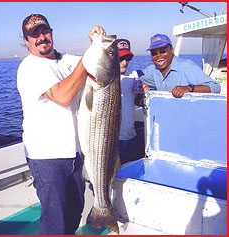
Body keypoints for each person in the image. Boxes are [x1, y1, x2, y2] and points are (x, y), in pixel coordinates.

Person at [17, 14, 106, 235]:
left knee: (74, 214)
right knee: (55, 221)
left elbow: (99, 64)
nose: (41, 38)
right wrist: (88, 59)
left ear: (51, 32)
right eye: (34, 35)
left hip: (76, 154)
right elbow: (64, 95)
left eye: (44, 31)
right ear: (26, 41)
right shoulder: (30, 67)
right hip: (47, 158)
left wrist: (98, 44)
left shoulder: (66, 60)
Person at [139, 34, 221, 98]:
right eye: (154, 53)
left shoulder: (187, 66)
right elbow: (134, 76)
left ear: (172, 50)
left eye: (163, 51)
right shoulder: (152, 70)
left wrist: (189, 88)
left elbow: (215, 87)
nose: (159, 55)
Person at [116, 39, 145, 165]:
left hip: (131, 138)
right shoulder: (105, 78)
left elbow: (138, 100)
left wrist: (144, 94)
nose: (124, 62)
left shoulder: (134, 74)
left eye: (127, 58)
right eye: (120, 58)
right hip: (112, 141)